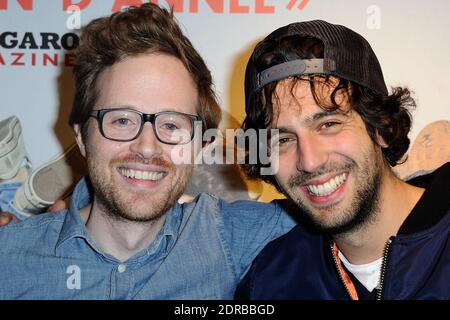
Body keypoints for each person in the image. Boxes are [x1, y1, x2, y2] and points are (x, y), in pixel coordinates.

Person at [0, 3, 296, 299]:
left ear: (201, 146)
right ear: (80, 137)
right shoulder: (10, 258)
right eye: (122, 120)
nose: (146, 147)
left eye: (171, 125)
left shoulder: (238, 238)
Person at [235, 20, 450, 299]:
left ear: (382, 127)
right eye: (283, 140)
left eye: (328, 124)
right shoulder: (268, 284)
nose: (309, 162)